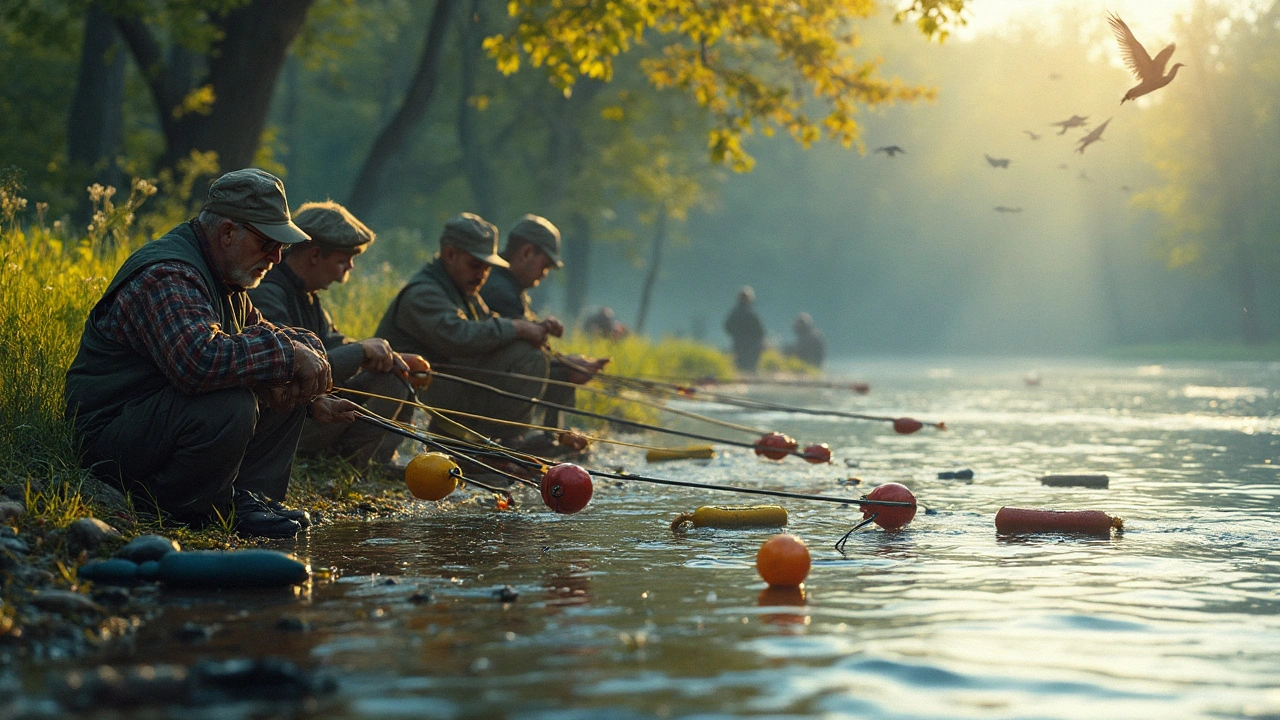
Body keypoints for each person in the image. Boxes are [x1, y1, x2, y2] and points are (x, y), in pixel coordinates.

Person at [64, 168, 362, 538]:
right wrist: (290, 355)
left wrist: (310, 391)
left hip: (158, 420)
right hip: (112, 435)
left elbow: (270, 337)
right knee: (232, 402)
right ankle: (179, 507)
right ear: (227, 232)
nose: (277, 258)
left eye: (282, 247)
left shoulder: (228, 279)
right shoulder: (169, 274)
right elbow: (199, 363)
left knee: (282, 374)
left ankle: (246, 499)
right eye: (268, 243)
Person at [248, 201, 431, 468]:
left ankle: (367, 460)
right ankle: (343, 463)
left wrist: (391, 356)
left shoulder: (306, 295)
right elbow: (296, 370)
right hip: (280, 424)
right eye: (344, 260)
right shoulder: (268, 293)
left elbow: (333, 342)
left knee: (396, 372)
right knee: (390, 383)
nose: (350, 268)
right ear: (314, 255)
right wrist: (361, 352)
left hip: (305, 413)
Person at [375, 213, 555, 443]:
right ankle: (500, 444)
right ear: (450, 255)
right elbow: (460, 338)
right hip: (409, 389)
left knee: (527, 352)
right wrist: (518, 327)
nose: (482, 275)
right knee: (527, 358)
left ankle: (491, 443)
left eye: (487, 268)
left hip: (438, 383)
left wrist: (535, 330)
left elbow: (488, 324)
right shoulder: (423, 293)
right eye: (475, 265)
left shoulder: (465, 291)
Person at [480, 214, 608, 428]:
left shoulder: (508, 285)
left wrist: (546, 336)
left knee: (560, 369)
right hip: (478, 383)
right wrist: (567, 364)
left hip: (490, 374)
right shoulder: (500, 289)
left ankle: (552, 436)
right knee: (549, 367)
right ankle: (511, 438)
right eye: (545, 265)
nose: (545, 274)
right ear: (526, 252)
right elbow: (518, 348)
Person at [724, 286, 766, 372]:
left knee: (739, 365)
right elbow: (760, 331)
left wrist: (735, 334)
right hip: (752, 346)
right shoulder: (751, 313)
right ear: (750, 299)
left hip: (738, 343)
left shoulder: (734, 313)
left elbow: (727, 326)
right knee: (750, 367)